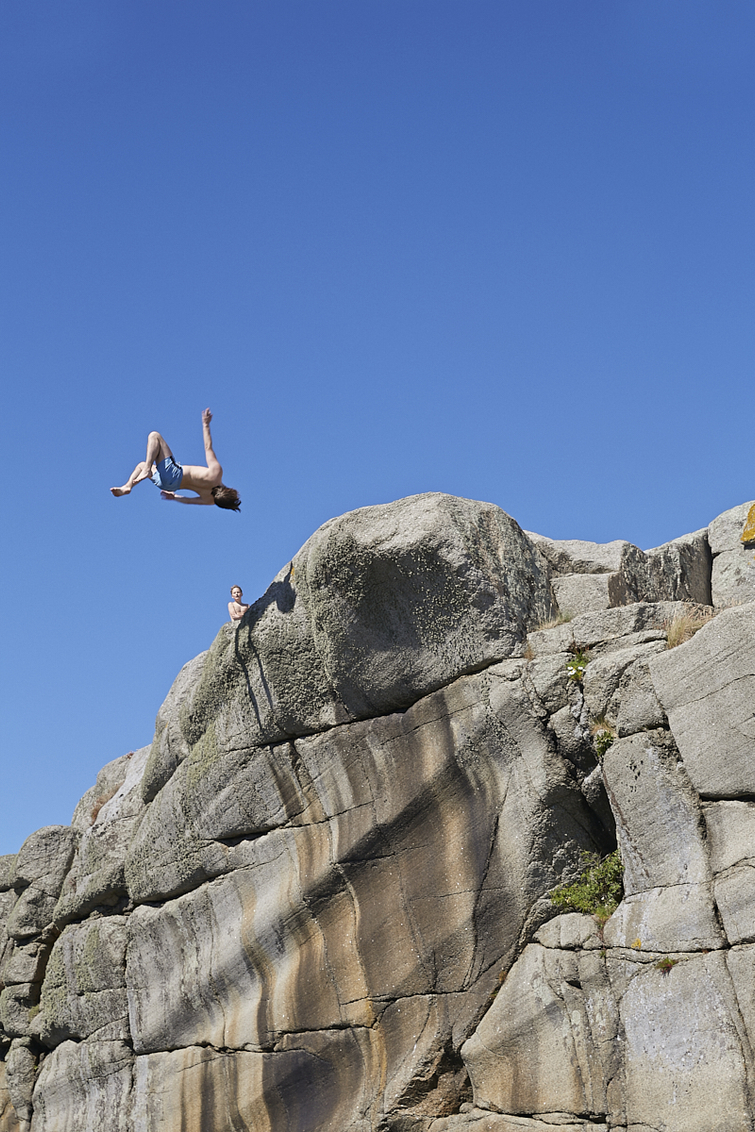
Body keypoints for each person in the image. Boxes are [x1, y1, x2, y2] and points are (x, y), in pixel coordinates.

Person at [110, 408, 241, 510]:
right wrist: (173, 497)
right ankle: (128, 486)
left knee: (154, 436)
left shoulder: (216, 474)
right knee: (140, 465)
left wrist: (206, 424)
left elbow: (208, 447)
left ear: (230, 490)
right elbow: (189, 501)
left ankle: (146, 470)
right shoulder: (210, 501)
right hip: (167, 485)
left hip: (174, 473)